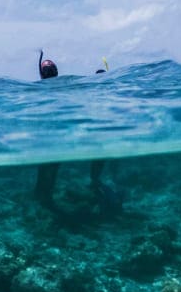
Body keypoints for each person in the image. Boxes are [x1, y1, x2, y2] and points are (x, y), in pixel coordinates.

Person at [33, 51, 118, 215]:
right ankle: (44, 198)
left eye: (49, 68)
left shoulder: (55, 86)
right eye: (47, 68)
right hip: (59, 135)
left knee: (98, 147)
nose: (49, 71)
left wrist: (100, 79)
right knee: (49, 166)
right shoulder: (66, 84)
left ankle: (95, 182)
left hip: (65, 133)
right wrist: (101, 79)